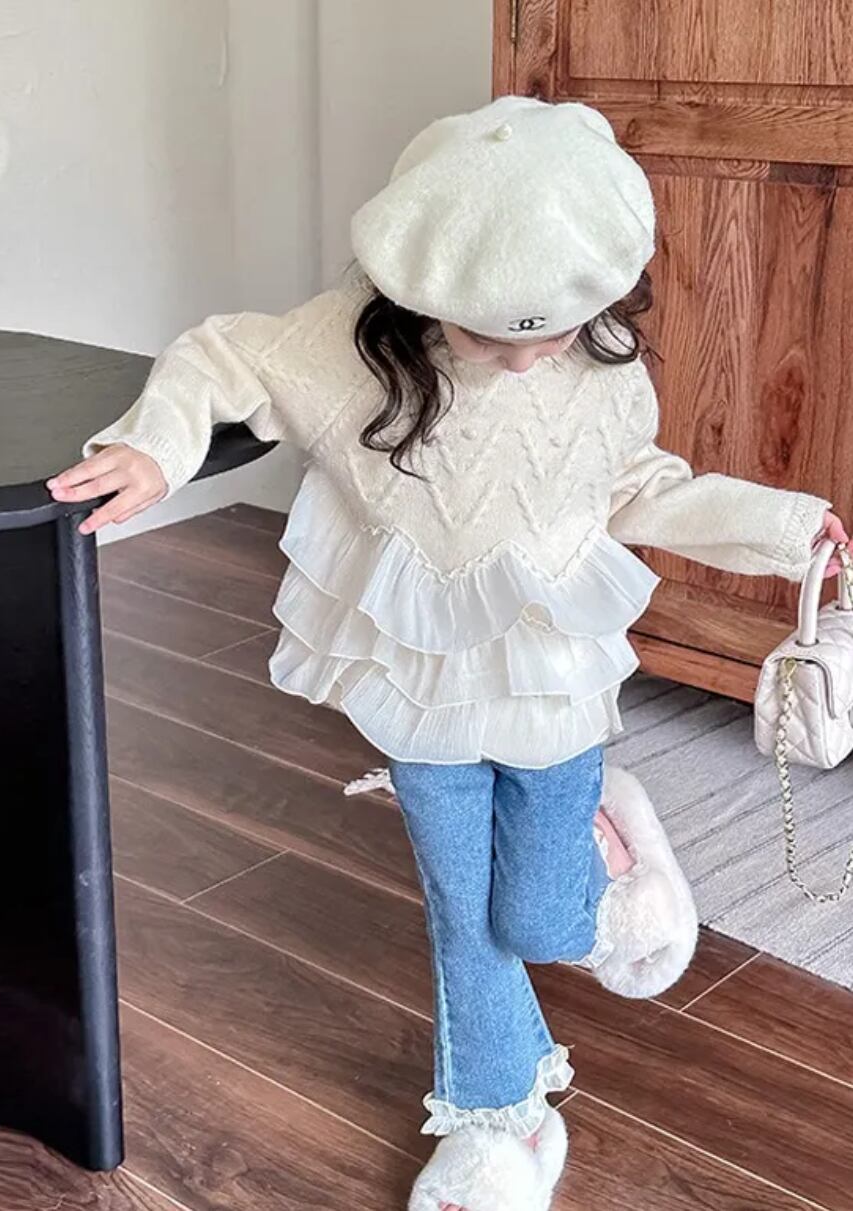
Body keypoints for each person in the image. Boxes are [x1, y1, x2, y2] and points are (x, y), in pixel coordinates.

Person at [49, 96, 847, 1211]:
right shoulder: (343, 346)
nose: (522, 362)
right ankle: (497, 1122)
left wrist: (780, 524)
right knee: (464, 918)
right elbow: (221, 353)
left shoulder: (605, 365)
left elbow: (633, 486)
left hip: (551, 681)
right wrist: (152, 445)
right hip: (416, 683)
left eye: (550, 333)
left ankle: (608, 837)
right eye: (486, 336)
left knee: (542, 921)